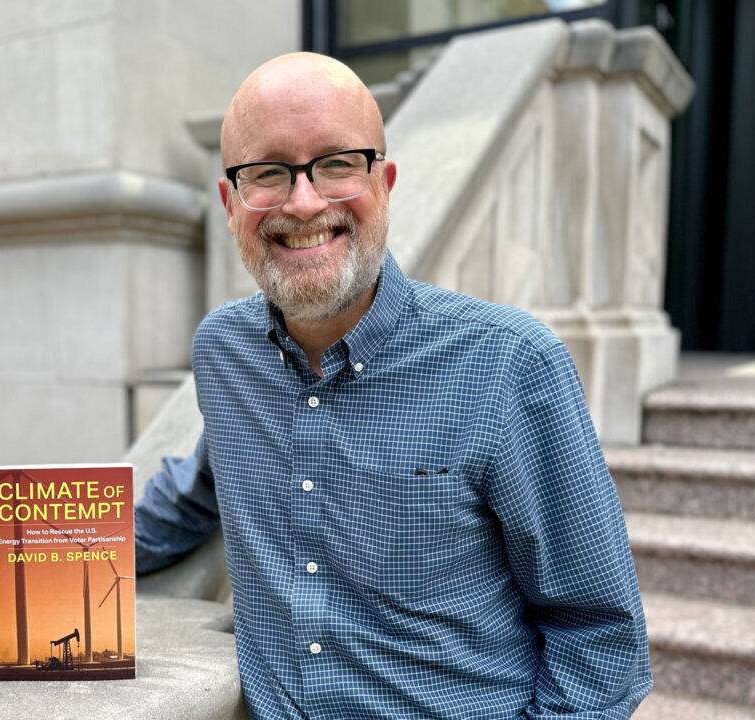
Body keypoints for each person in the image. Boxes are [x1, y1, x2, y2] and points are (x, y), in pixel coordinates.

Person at [134, 52, 651, 719]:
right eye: (267, 173)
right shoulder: (226, 354)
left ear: (385, 183)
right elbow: (196, 492)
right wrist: (50, 542)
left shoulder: (511, 366)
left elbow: (602, 637)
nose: (304, 200)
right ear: (231, 204)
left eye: (337, 164)